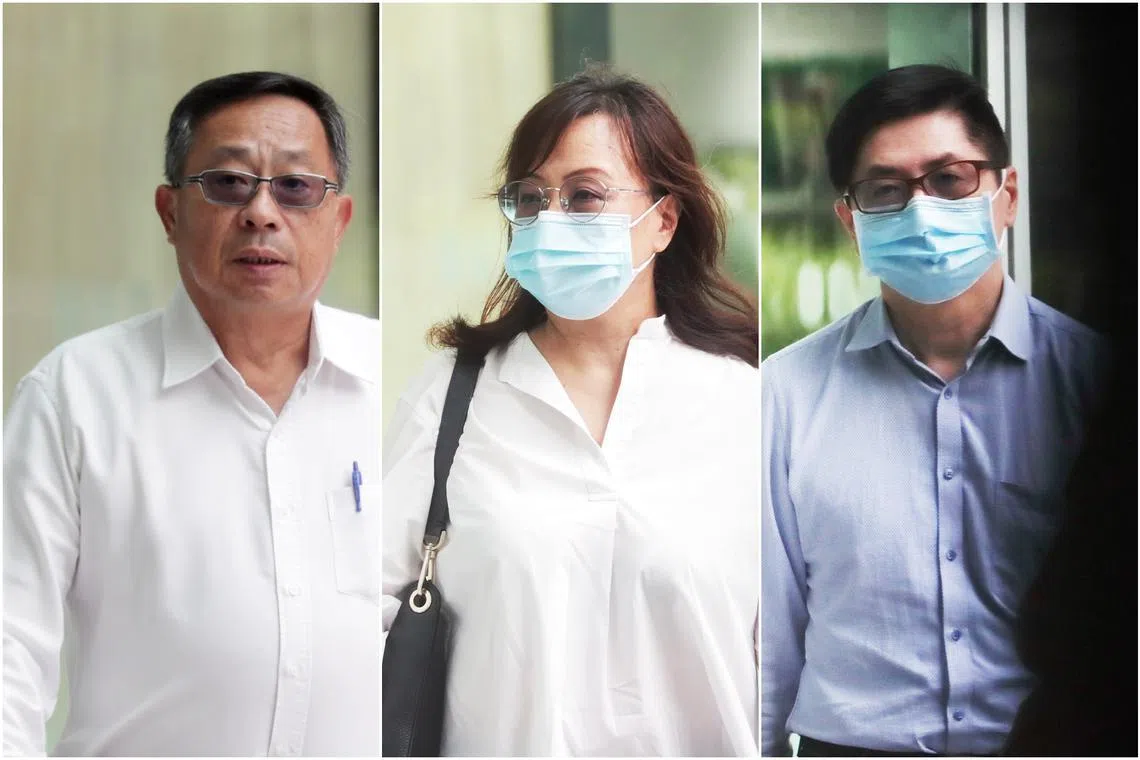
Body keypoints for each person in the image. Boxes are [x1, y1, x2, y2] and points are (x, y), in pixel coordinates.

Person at [383, 66, 759, 756]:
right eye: (530, 198)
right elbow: (366, 611)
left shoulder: (746, 405)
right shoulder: (450, 398)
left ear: (664, 221)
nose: (550, 219)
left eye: (585, 196)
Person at [3, 71, 379, 756]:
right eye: (229, 183)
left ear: (339, 220)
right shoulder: (75, 396)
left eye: (296, 187)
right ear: (170, 212)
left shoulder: (395, 380)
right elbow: (9, 651)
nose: (263, 212)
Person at [761, 64, 1110, 756]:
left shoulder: (1096, 383)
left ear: (1005, 195)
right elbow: (769, 637)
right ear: (851, 223)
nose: (920, 209)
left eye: (950, 179)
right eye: (885, 191)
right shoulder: (785, 393)